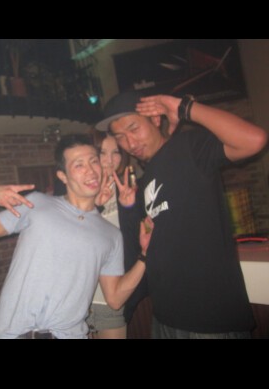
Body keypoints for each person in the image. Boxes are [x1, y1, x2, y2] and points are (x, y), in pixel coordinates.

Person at [96, 92, 267, 338]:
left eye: (133, 129)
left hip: (210, 318)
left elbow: (254, 140)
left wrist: (185, 107)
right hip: (164, 316)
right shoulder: (145, 180)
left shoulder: (188, 147)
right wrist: (129, 208)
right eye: (120, 137)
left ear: (155, 119)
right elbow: (145, 243)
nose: (129, 143)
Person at [0, 134, 153, 339]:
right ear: (63, 176)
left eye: (94, 161)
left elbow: (115, 299)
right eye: (79, 165)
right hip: (14, 333)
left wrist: (145, 255)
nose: (91, 170)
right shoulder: (37, 203)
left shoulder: (111, 234)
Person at [86, 130, 146, 339]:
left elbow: (136, 243)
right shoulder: (81, 192)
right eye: (102, 153)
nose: (110, 160)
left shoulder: (128, 190)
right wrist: (96, 207)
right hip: (79, 301)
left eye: (116, 152)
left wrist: (128, 208)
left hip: (110, 300)